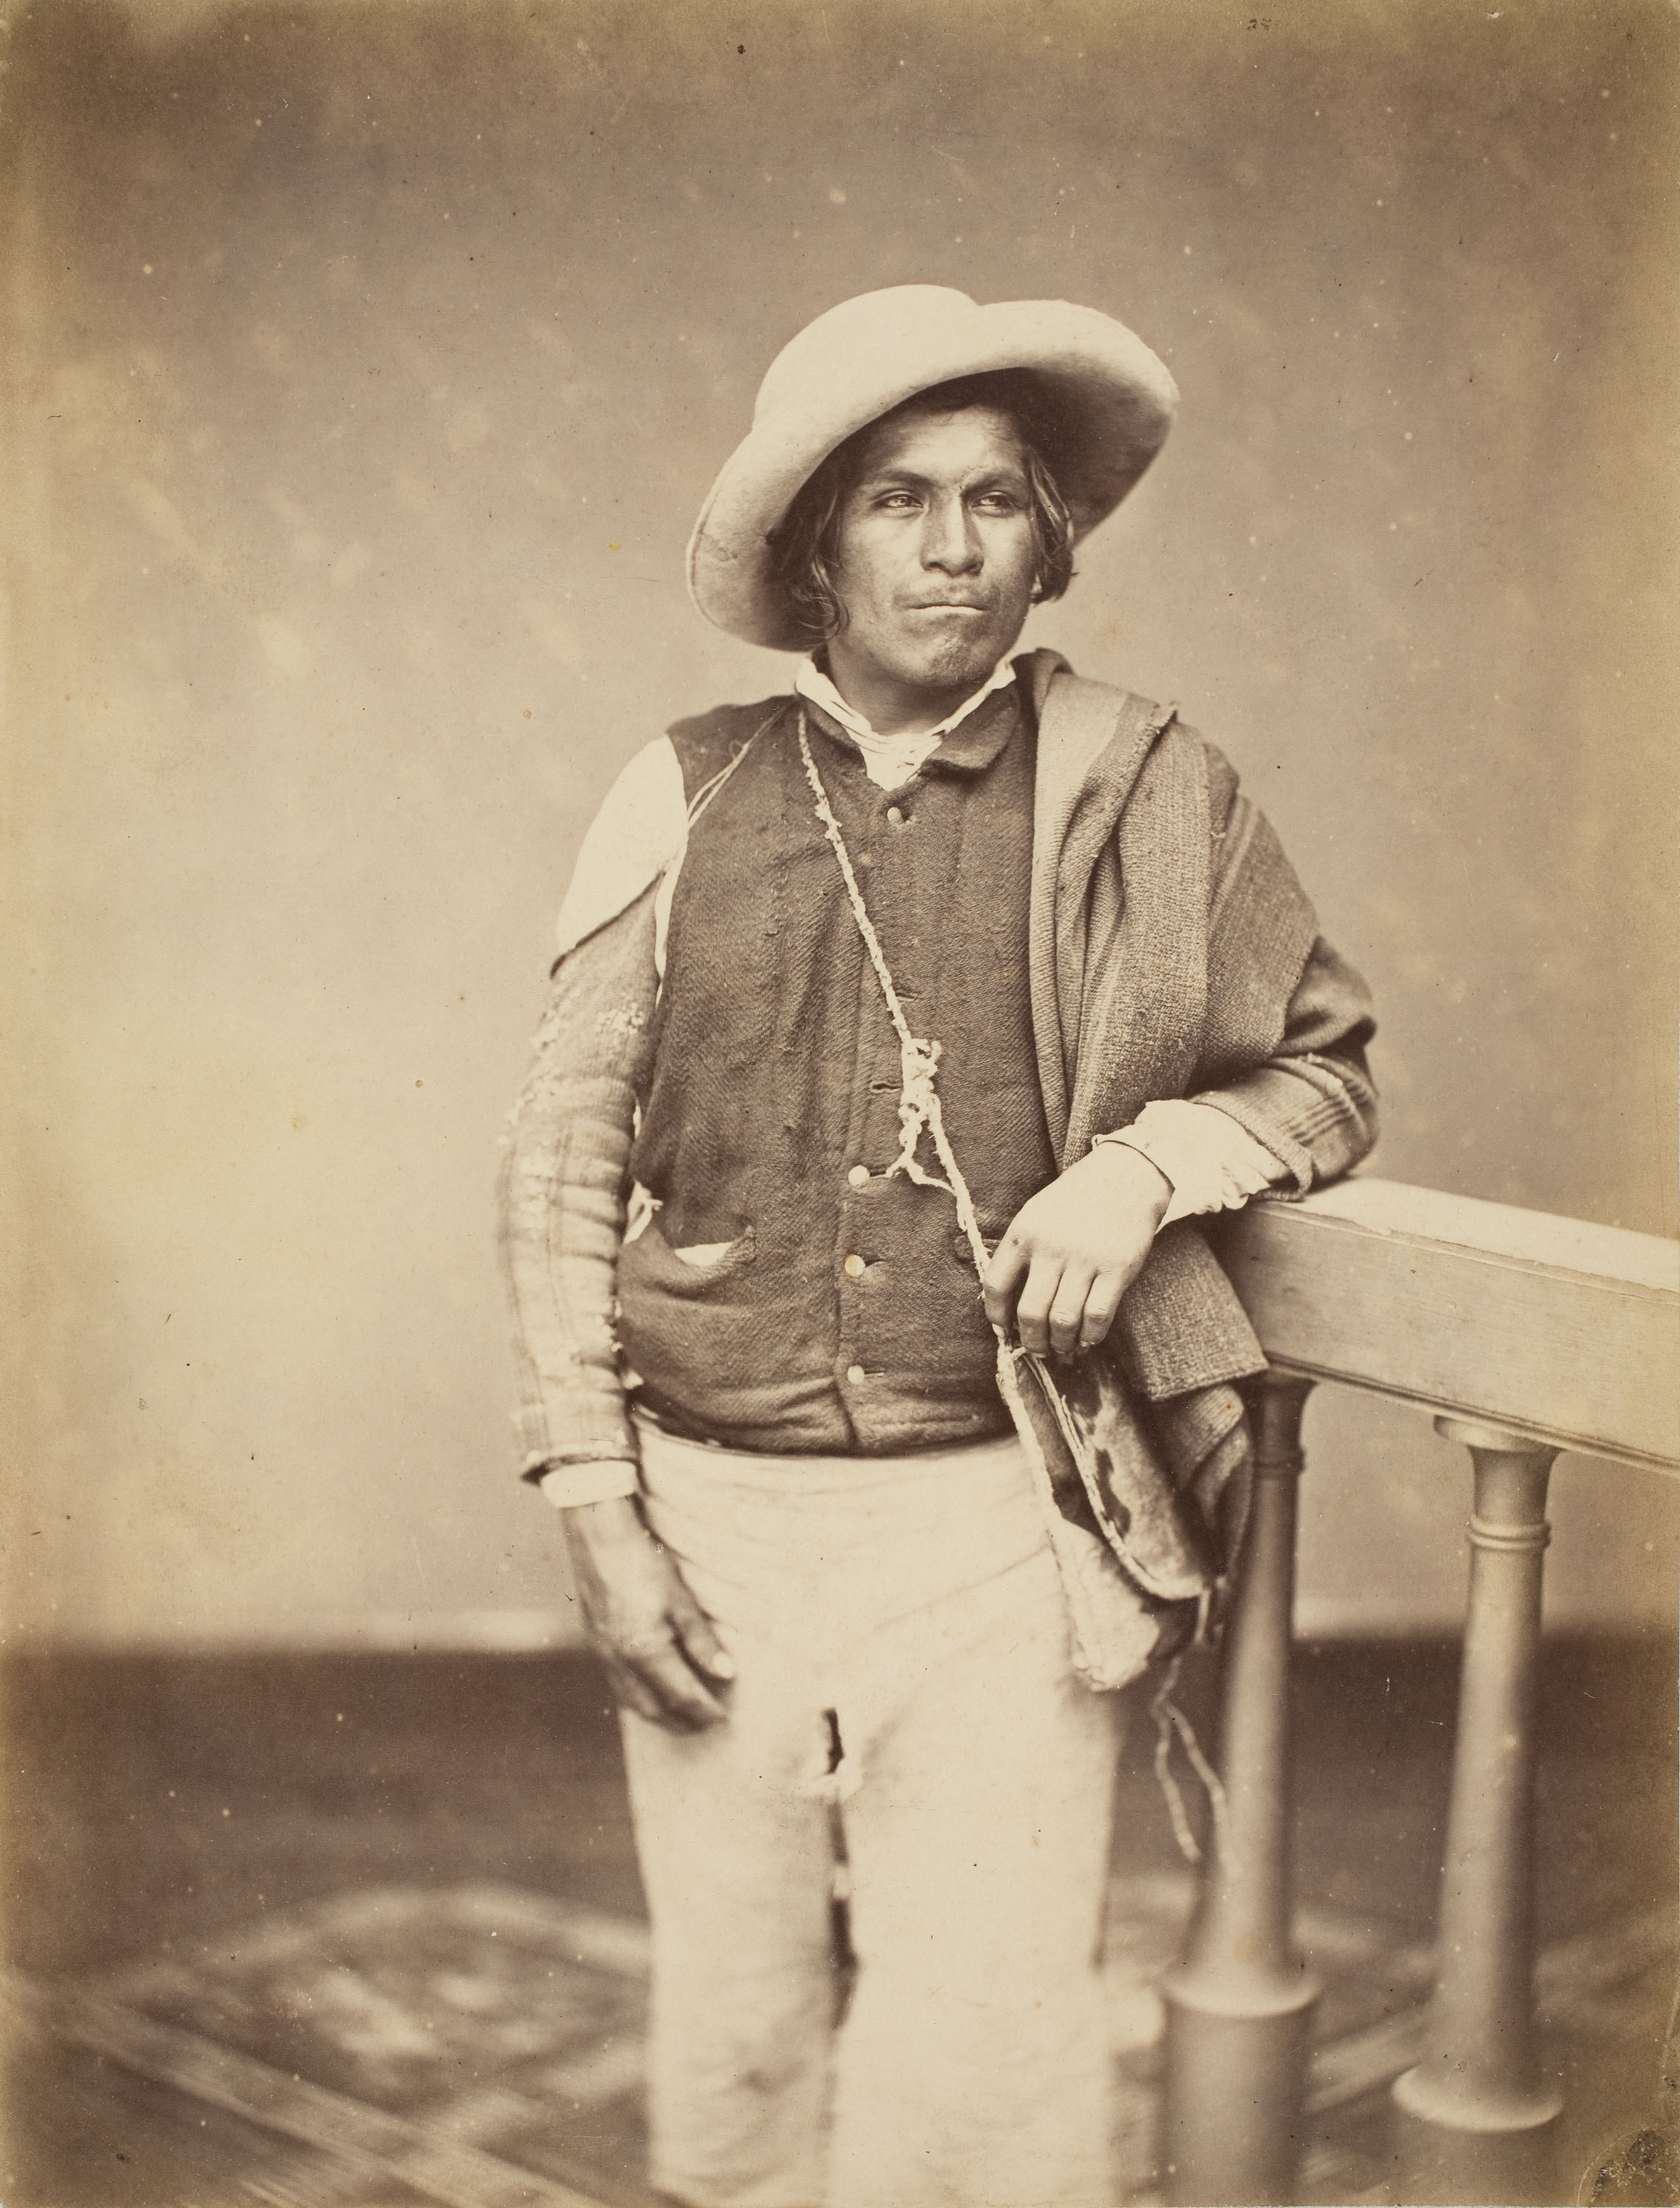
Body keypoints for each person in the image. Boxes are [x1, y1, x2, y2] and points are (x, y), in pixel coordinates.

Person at [498, 285, 1378, 2208]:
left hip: (999, 1516)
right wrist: (598, 1511)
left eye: (993, 500)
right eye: (897, 500)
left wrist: (1144, 1169)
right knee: (735, 2024)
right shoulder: (682, 787)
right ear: (817, 549)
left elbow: (1323, 1079)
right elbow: (558, 1168)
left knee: (986, 2046)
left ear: (1047, 541)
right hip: (710, 1514)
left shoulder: (1150, 790)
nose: (953, 547)